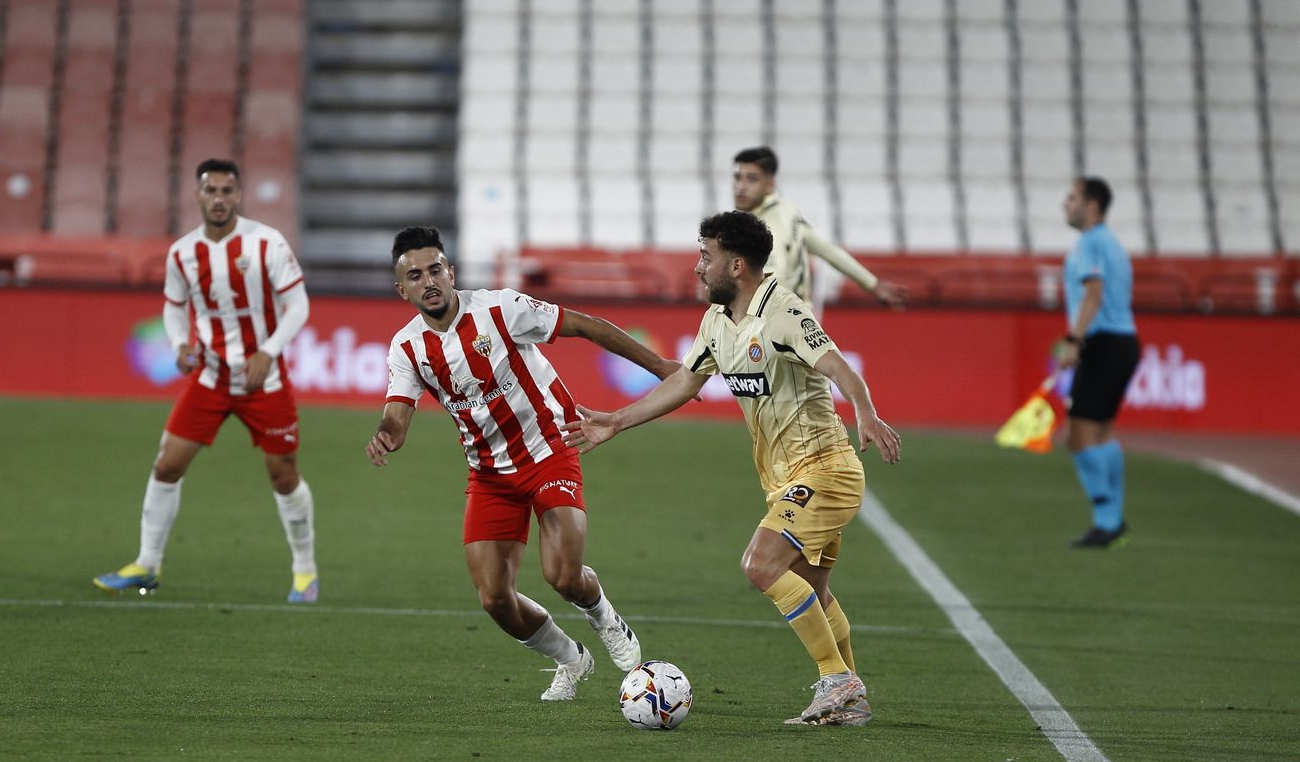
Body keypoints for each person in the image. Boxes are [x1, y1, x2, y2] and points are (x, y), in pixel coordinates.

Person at [569, 210, 901, 727]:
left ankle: (837, 681)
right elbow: (685, 382)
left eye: (707, 257)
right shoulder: (717, 322)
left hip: (825, 471)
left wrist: (867, 412)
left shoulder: (783, 313)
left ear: (738, 265)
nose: (698, 268)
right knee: (812, 590)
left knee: (761, 564)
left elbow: (837, 366)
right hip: (788, 479)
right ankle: (850, 702)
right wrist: (617, 421)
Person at [366, 226, 674, 701]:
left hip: (549, 448)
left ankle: (606, 619)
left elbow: (587, 325)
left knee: (563, 577)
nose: (427, 281)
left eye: (434, 270)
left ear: (450, 272)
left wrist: (663, 370)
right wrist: (387, 435)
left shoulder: (499, 309)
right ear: (401, 289)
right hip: (489, 474)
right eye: (414, 275)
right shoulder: (406, 347)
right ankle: (571, 659)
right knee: (494, 598)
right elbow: (398, 413)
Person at [94, 158, 319, 603]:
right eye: (211, 190)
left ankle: (305, 572)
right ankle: (147, 565)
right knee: (167, 464)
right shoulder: (182, 253)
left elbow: (298, 306)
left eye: (227, 191)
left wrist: (268, 351)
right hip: (210, 377)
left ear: (239, 195)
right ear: (197, 195)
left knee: (283, 475)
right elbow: (174, 306)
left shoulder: (266, 244)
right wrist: (180, 343)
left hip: (264, 382)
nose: (219, 199)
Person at [1056, 176, 1139, 549]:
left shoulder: (1089, 242)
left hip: (1103, 342)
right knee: (1101, 431)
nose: (1065, 204)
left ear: (1092, 204)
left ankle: (1107, 520)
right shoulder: (1112, 244)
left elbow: (1094, 291)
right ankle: (1113, 519)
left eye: (1072, 198)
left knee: (1079, 434)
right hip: (1123, 342)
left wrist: (1075, 339)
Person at [731, 146, 908, 310]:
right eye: (738, 178)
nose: (741, 187)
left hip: (774, 326)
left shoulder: (768, 225)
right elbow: (829, 251)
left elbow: (776, 277)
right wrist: (872, 284)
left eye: (752, 179)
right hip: (797, 322)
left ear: (769, 185)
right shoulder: (787, 212)